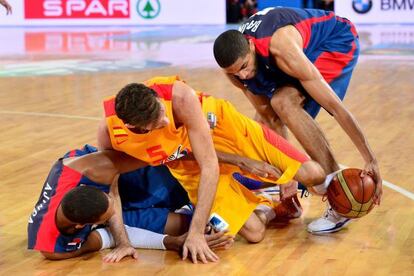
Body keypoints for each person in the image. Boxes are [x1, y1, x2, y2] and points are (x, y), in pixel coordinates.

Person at [97, 75, 329, 264]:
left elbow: (210, 164)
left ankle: (268, 184)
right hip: (191, 163)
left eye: (162, 111)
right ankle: (267, 204)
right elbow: (112, 191)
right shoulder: (111, 135)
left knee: (313, 174)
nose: (166, 122)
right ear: (132, 126)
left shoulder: (179, 97)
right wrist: (123, 242)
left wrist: (196, 233)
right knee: (255, 234)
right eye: (158, 123)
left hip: (223, 128)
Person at [213, 7, 382, 233]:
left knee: (284, 103)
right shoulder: (234, 69)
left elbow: (336, 108)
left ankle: (338, 199)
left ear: (251, 47)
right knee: (263, 125)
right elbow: (269, 117)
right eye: (236, 73)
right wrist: (288, 174)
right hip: (294, 49)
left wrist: (370, 158)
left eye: (244, 67)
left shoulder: (281, 46)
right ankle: (286, 194)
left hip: (335, 43)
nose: (242, 75)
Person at [28, 145, 233, 262]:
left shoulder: (90, 169)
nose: (114, 212)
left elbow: (168, 152)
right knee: (194, 226)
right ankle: (190, 209)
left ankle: (235, 177)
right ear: (82, 226)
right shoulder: (53, 249)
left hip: (119, 174)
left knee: (176, 183)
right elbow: (105, 238)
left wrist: (237, 160)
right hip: (102, 203)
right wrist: (170, 242)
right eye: (109, 216)